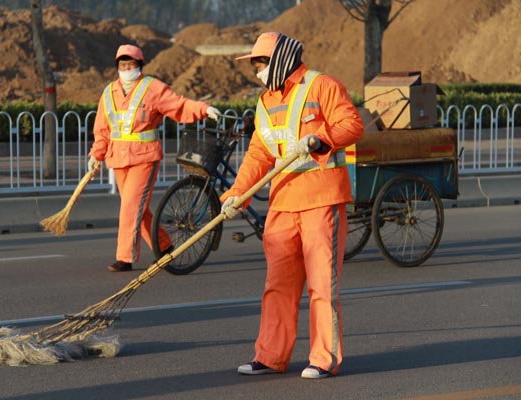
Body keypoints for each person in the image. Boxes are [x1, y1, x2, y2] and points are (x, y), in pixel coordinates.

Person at [220, 32, 363, 379]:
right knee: (278, 285)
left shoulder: (322, 85)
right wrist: (237, 194)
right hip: (283, 202)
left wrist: (320, 138)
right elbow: (259, 153)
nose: (257, 71)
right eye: (255, 65)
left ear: (281, 60)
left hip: (321, 199)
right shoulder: (265, 101)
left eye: (261, 63)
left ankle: (323, 359)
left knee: (321, 286)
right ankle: (270, 356)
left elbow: (352, 124)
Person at [88, 44, 221, 272]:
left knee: (130, 207)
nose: (126, 69)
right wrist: (96, 155)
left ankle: (125, 258)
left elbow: (178, 105)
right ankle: (165, 247)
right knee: (137, 210)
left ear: (140, 65)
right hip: (118, 159)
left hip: (144, 158)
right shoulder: (109, 92)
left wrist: (203, 109)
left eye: (131, 64)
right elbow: (102, 129)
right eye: (123, 65)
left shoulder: (153, 88)